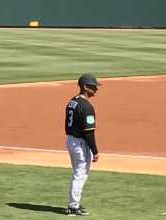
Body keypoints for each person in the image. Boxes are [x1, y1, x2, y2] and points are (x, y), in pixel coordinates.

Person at [65, 73, 101, 216]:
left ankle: (75, 203)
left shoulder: (72, 101)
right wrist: (95, 151)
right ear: (85, 87)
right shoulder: (86, 107)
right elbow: (89, 133)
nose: (96, 89)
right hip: (80, 143)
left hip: (71, 140)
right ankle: (73, 206)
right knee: (80, 174)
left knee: (77, 173)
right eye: (93, 87)